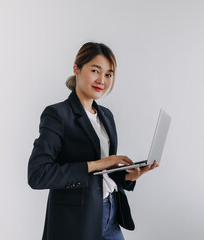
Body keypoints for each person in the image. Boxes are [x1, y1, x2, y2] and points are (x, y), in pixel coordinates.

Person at [28, 42, 159, 240]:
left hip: (111, 213)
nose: (102, 80)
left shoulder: (106, 116)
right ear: (77, 69)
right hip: (77, 221)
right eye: (95, 70)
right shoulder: (57, 115)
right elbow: (38, 175)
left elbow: (103, 174)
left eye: (108, 74)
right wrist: (96, 164)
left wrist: (128, 177)